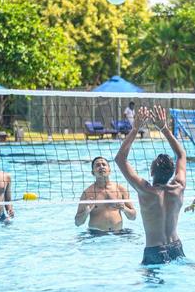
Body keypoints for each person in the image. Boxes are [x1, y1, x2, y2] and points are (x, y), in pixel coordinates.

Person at [115, 106, 187, 265]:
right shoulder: (179, 187)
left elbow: (120, 159)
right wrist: (164, 128)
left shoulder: (145, 190)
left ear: (152, 171)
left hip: (155, 251)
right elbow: (181, 154)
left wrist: (135, 129)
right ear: (171, 173)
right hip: (176, 247)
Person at [74, 156, 137, 234]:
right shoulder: (87, 193)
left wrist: (124, 208)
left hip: (119, 234)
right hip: (96, 234)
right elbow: (77, 223)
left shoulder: (120, 190)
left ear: (109, 170)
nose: (101, 167)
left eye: (104, 164)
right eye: (97, 165)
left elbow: (133, 217)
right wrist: (86, 211)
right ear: (92, 172)